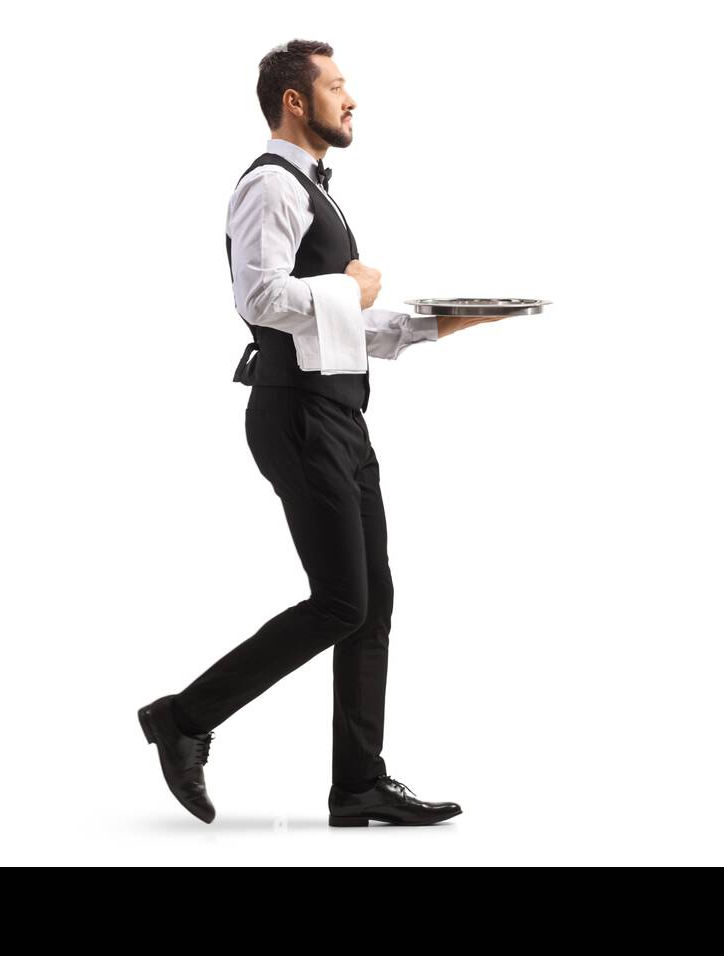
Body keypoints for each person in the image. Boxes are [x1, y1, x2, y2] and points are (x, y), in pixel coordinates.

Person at [138, 39, 512, 828]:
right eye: (337, 86)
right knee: (343, 600)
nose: (352, 99)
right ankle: (183, 717)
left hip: (338, 415)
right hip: (297, 417)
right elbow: (262, 299)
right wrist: (346, 285)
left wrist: (445, 321)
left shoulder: (313, 190)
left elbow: (338, 330)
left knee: (370, 602)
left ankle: (358, 785)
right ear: (294, 101)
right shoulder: (272, 186)